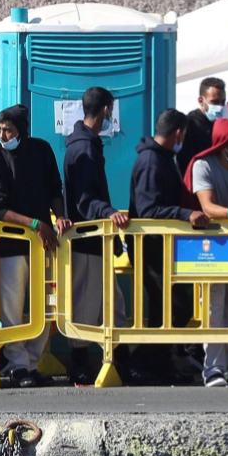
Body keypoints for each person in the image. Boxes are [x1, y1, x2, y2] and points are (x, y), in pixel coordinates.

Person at [0, 105, 69, 387]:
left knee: (45, 305)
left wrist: (60, 217)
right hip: (11, 246)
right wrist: (35, 224)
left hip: (44, 243)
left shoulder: (41, 150)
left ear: (22, 129)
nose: (2, 135)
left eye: (7, 129)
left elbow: (54, 189)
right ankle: (18, 366)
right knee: (11, 309)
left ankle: (32, 363)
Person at [129, 109, 210, 384]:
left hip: (162, 247)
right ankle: (144, 363)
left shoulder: (161, 158)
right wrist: (185, 215)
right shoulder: (152, 161)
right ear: (179, 134)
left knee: (170, 308)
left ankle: (157, 364)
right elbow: (149, 208)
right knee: (171, 307)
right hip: (151, 248)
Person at [63, 87, 130, 385]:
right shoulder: (86, 148)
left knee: (112, 303)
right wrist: (108, 211)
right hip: (89, 241)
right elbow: (85, 200)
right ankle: (79, 365)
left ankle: (117, 360)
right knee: (88, 304)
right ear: (106, 109)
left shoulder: (83, 145)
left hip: (93, 241)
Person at [186, 118, 228, 387]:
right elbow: (206, 204)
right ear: (223, 144)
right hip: (213, 245)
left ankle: (227, 367)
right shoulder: (203, 165)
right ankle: (212, 369)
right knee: (215, 305)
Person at [177, 77, 226, 177]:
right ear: (201, 101)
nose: (220, 106)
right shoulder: (190, 125)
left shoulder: (221, 125)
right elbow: (185, 164)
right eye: (215, 102)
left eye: (223, 101)